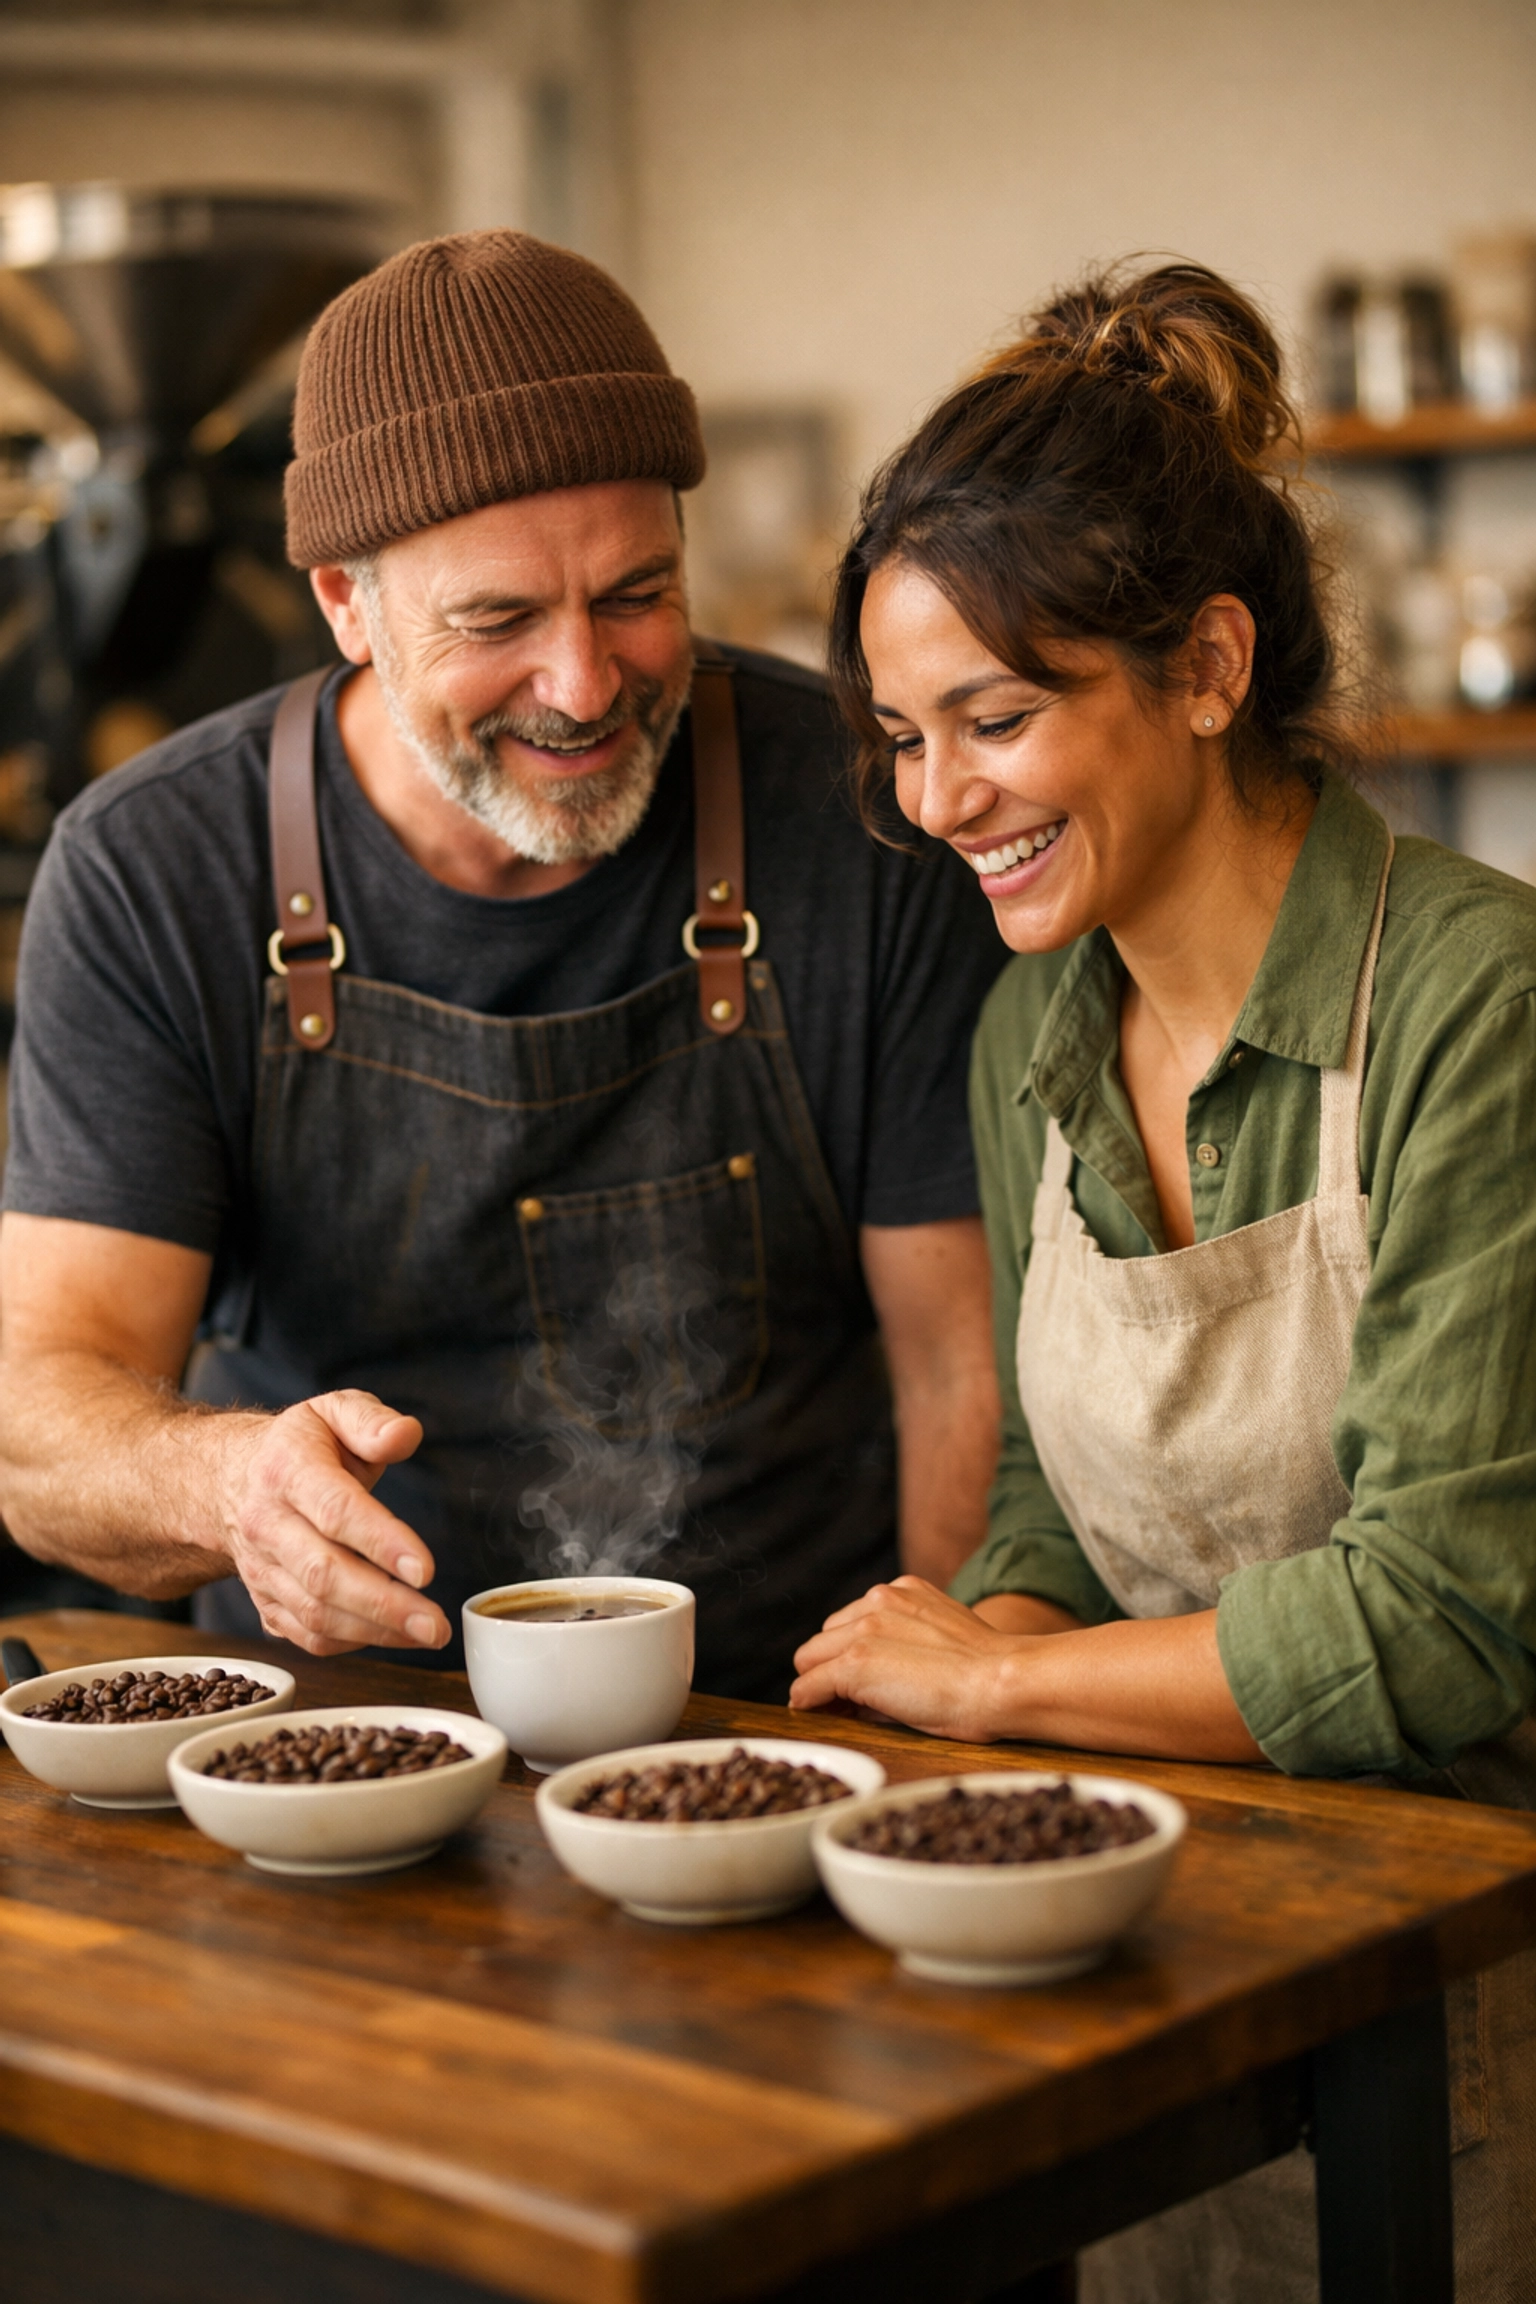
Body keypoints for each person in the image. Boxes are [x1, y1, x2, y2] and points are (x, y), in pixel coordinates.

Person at [791, 262, 1536, 2301]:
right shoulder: (1034, 1042)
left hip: (1472, 2010)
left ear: (1208, 669)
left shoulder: (1481, 1006)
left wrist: (1003, 1681)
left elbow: (1447, 1620)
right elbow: (1053, 1490)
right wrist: (972, 1650)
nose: (939, 804)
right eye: (903, 741)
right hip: (1159, 1997)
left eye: (999, 721)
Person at [0, 229, 1006, 1702]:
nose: (586, 685)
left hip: (784, 1727)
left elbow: (961, 1371)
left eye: (637, 593)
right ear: (346, 604)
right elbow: (36, 1425)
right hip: (322, 1742)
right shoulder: (155, 872)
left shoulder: (861, 813)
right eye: (498, 621)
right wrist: (229, 1489)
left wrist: (930, 1752)